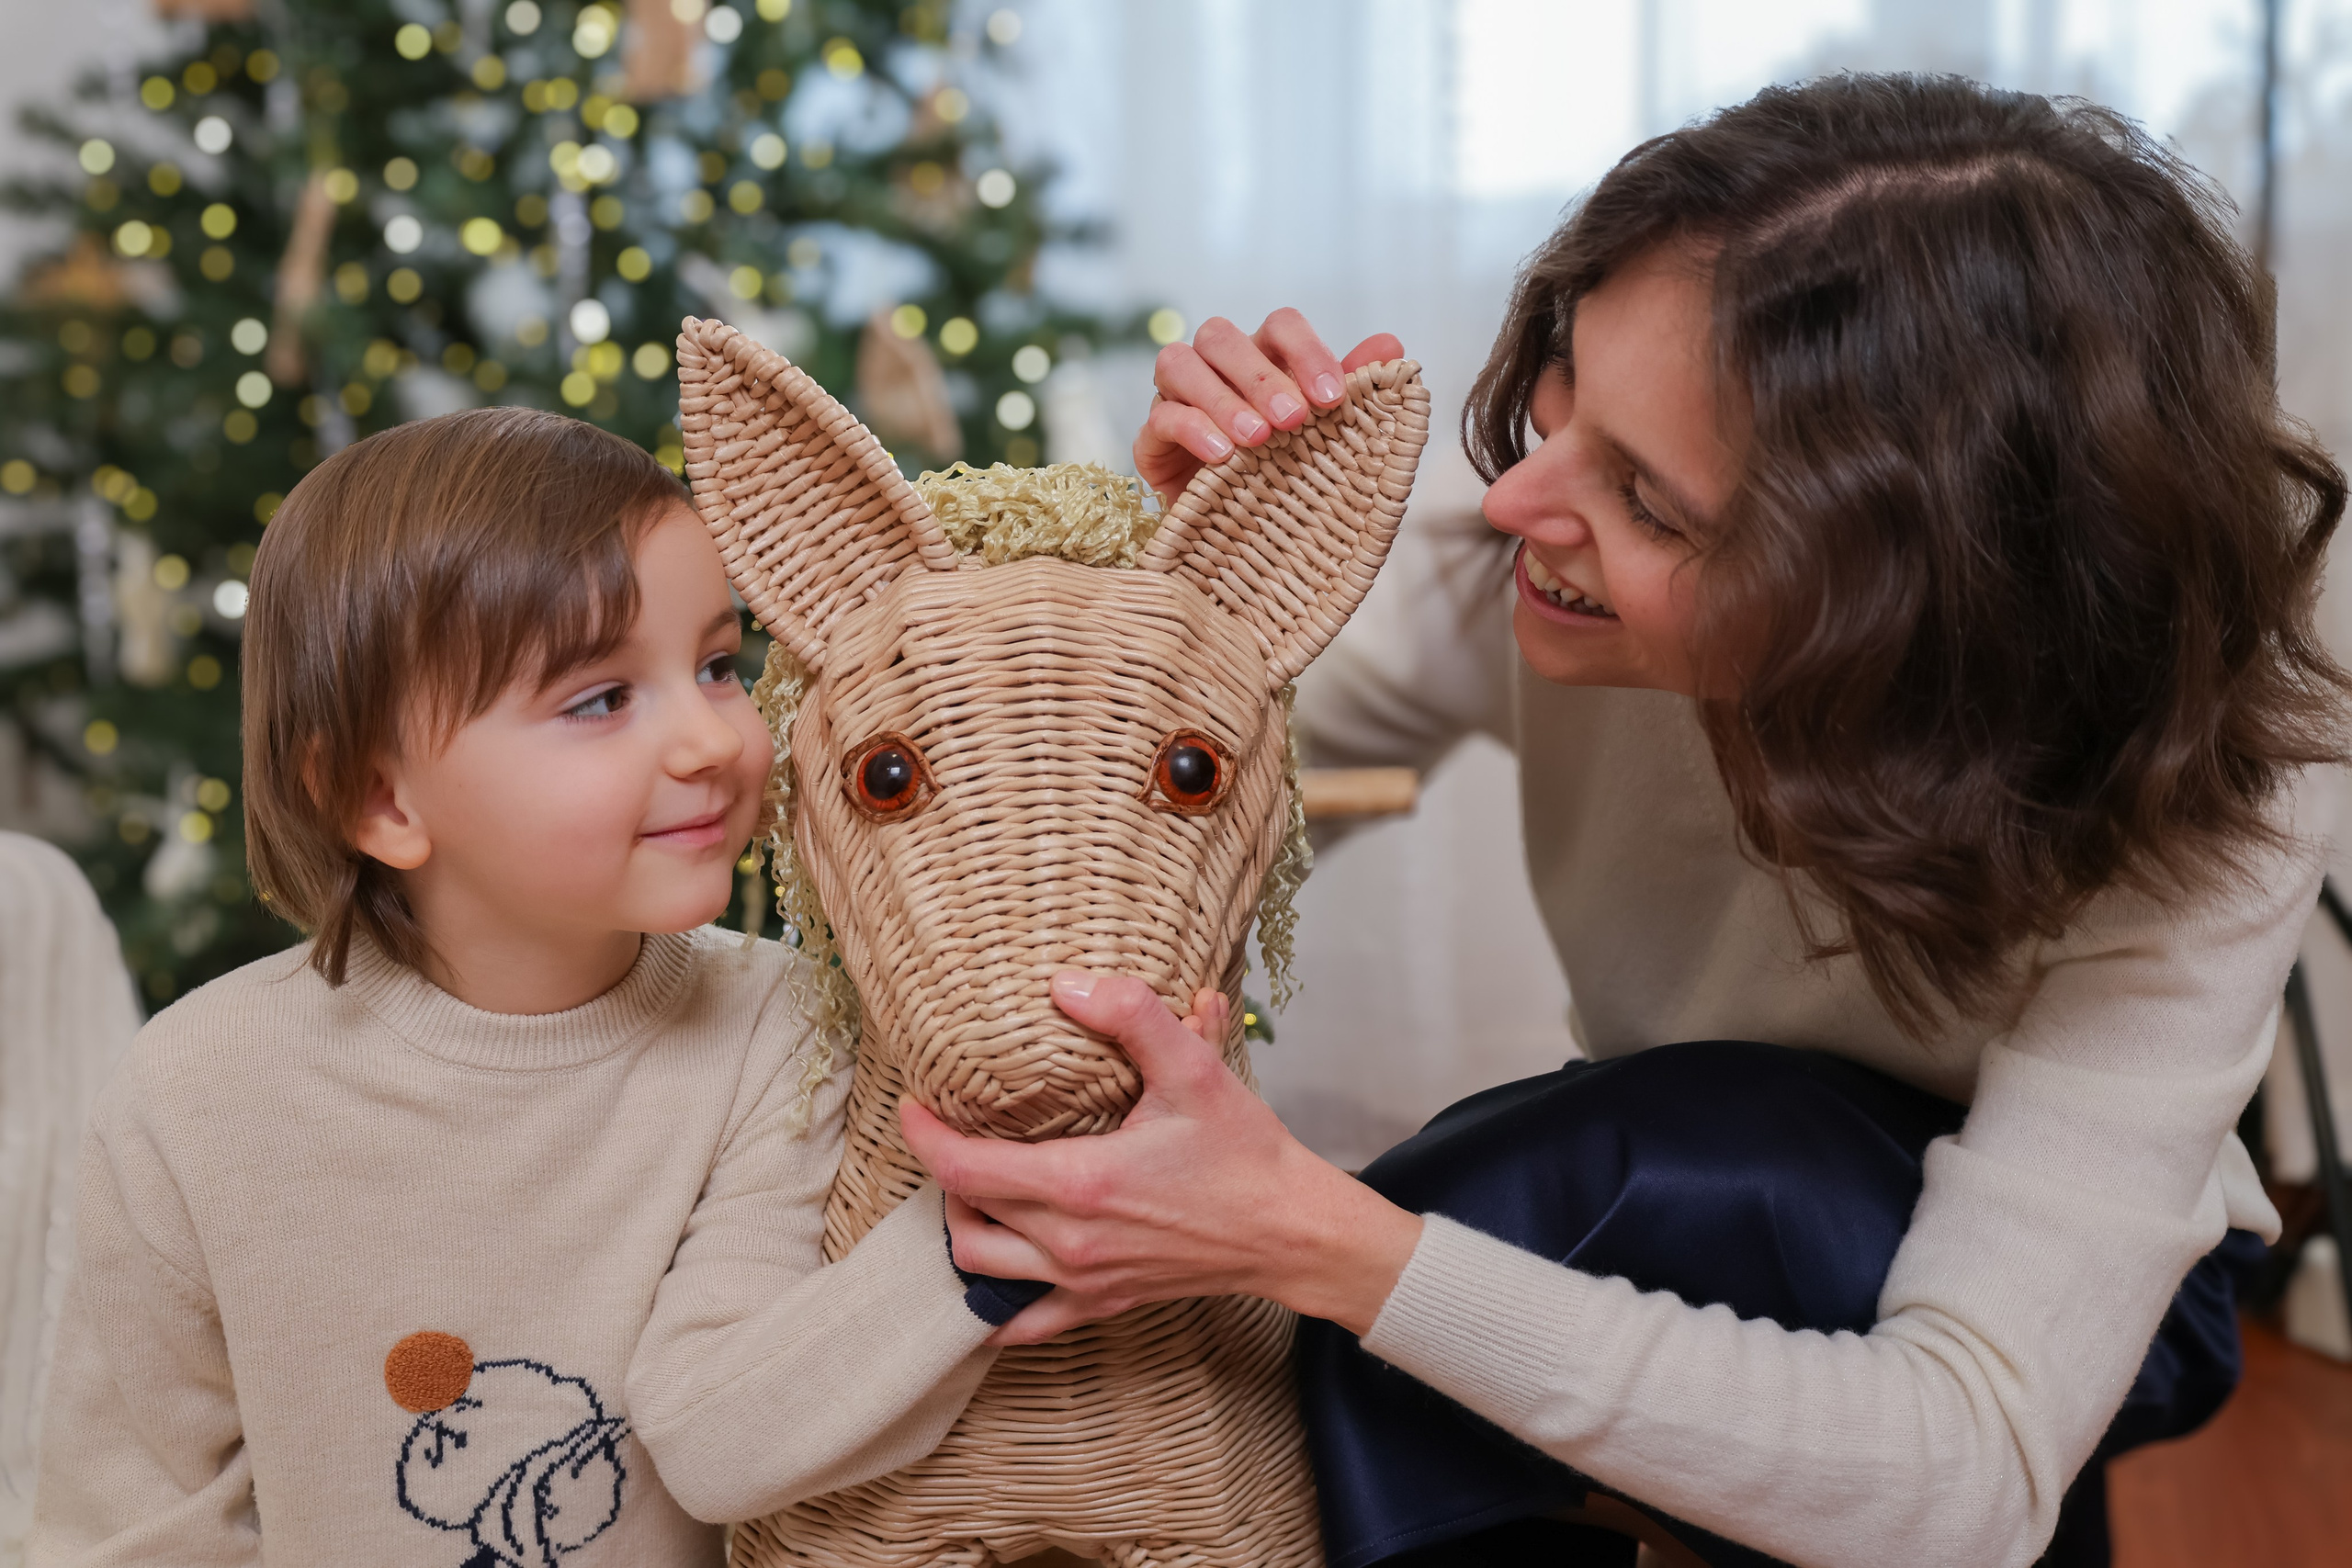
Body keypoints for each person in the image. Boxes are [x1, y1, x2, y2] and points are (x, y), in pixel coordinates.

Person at [899, 75, 2346, 1568]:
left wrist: (1311, 1239)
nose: (1520, 495)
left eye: (1651, 501)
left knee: (1618, 1163)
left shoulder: (2210, 787)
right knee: (1613, 1168)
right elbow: (1151, 800)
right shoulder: (1536, 571)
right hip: (1689, 1209)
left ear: (1902, 604)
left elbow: (1969, 1466)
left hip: (2072, 1312)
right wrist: (1196, 592)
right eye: (1567, 381)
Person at [30, 409, 1014, 1565]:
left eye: (716, 664)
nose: (710, 738)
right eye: (601, 699)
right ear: (379, 800)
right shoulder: (196, 1090)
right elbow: (128, 1521)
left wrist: (984, 1244)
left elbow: (737, 1432)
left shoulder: (782, 1030)